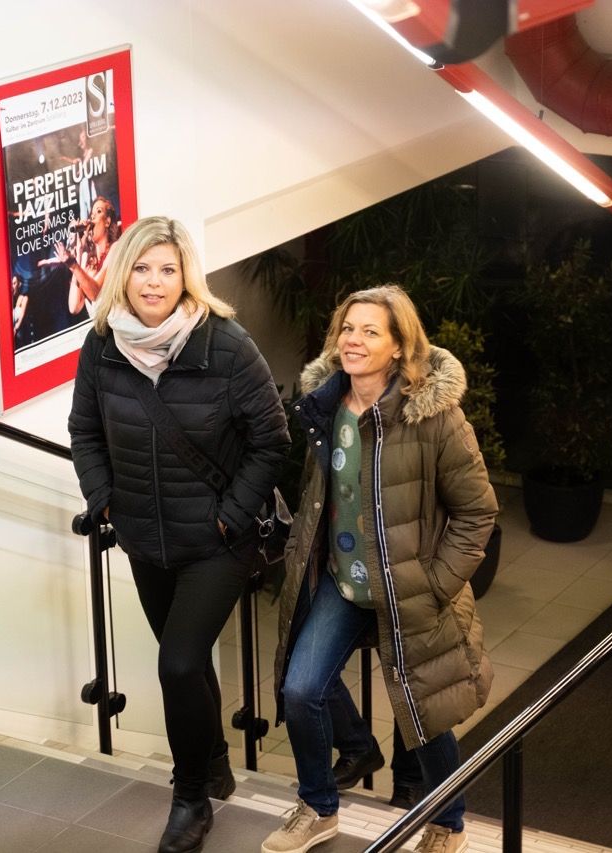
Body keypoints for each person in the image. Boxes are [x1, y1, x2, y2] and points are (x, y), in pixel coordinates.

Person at [68, 216, 290, 853]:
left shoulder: (227, 345)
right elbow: (85, 430)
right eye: (142, 268)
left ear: (186, 276)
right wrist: (106, 501)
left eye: (167, 269)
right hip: (145, 538)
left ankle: (190, 798)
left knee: (179, 662)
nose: (154, 282)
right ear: (123, 274)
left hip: (217, 541)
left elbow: (271, 440)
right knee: (186, 662)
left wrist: (232, 514)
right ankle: (215, 764)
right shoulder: (102, 344)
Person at [263, 285, 497, 853]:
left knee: (422, 709)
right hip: (342, 582)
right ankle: (319, 809)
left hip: (411, 587)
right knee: (301, 690)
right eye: (348, 328)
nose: (354, 340)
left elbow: (478, 512)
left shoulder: (433, 417)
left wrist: (436, 584)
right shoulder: (325, 408)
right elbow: (320, 496)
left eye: (371, 331)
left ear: (398, 346)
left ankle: (448, 823)